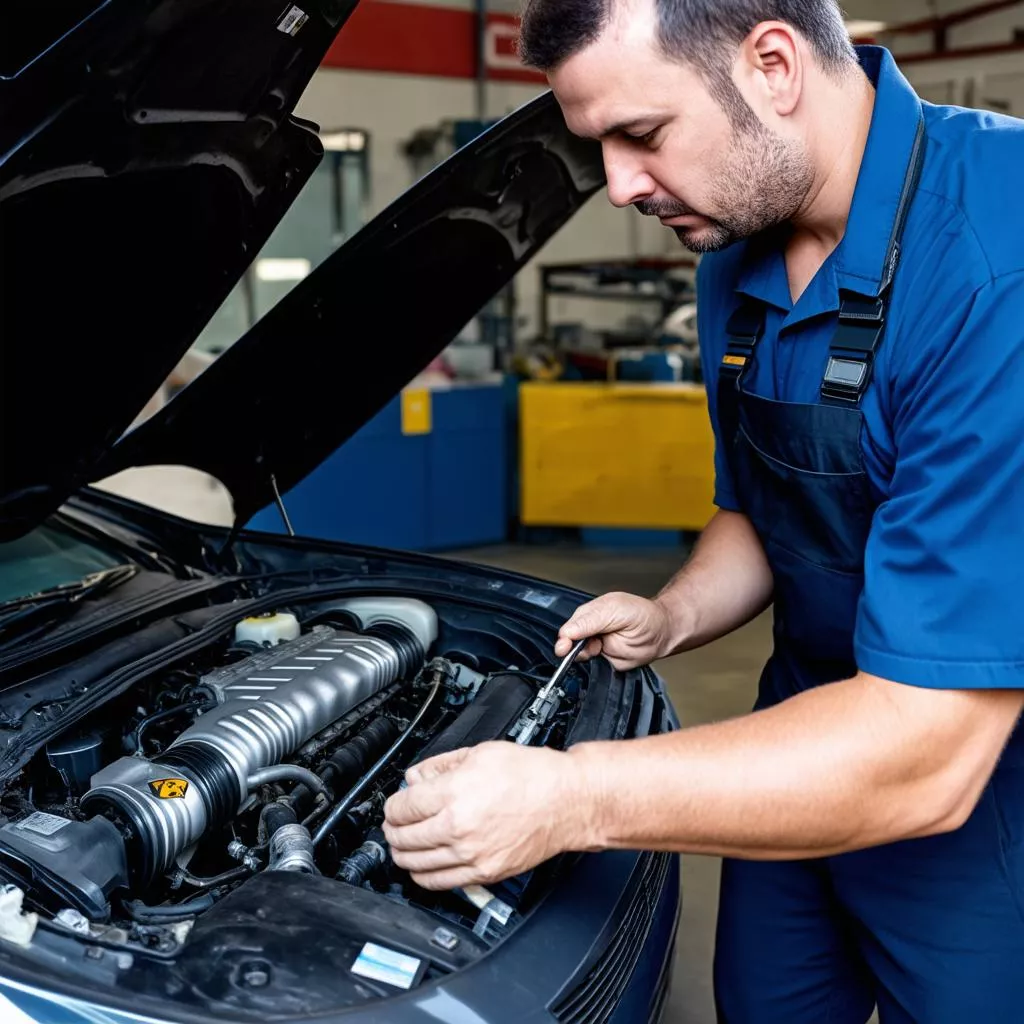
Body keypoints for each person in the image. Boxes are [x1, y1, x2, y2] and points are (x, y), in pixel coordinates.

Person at [383, 2, 1024, 1018]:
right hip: (793, 733)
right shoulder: (736, 242)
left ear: (772, 65)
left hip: (975, 788)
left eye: (641, 134)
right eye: (601, 147)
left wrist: (574, 797)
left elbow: (928, 751)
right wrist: (675, 612)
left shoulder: (997, 260)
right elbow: (763, 505)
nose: (621, 186)